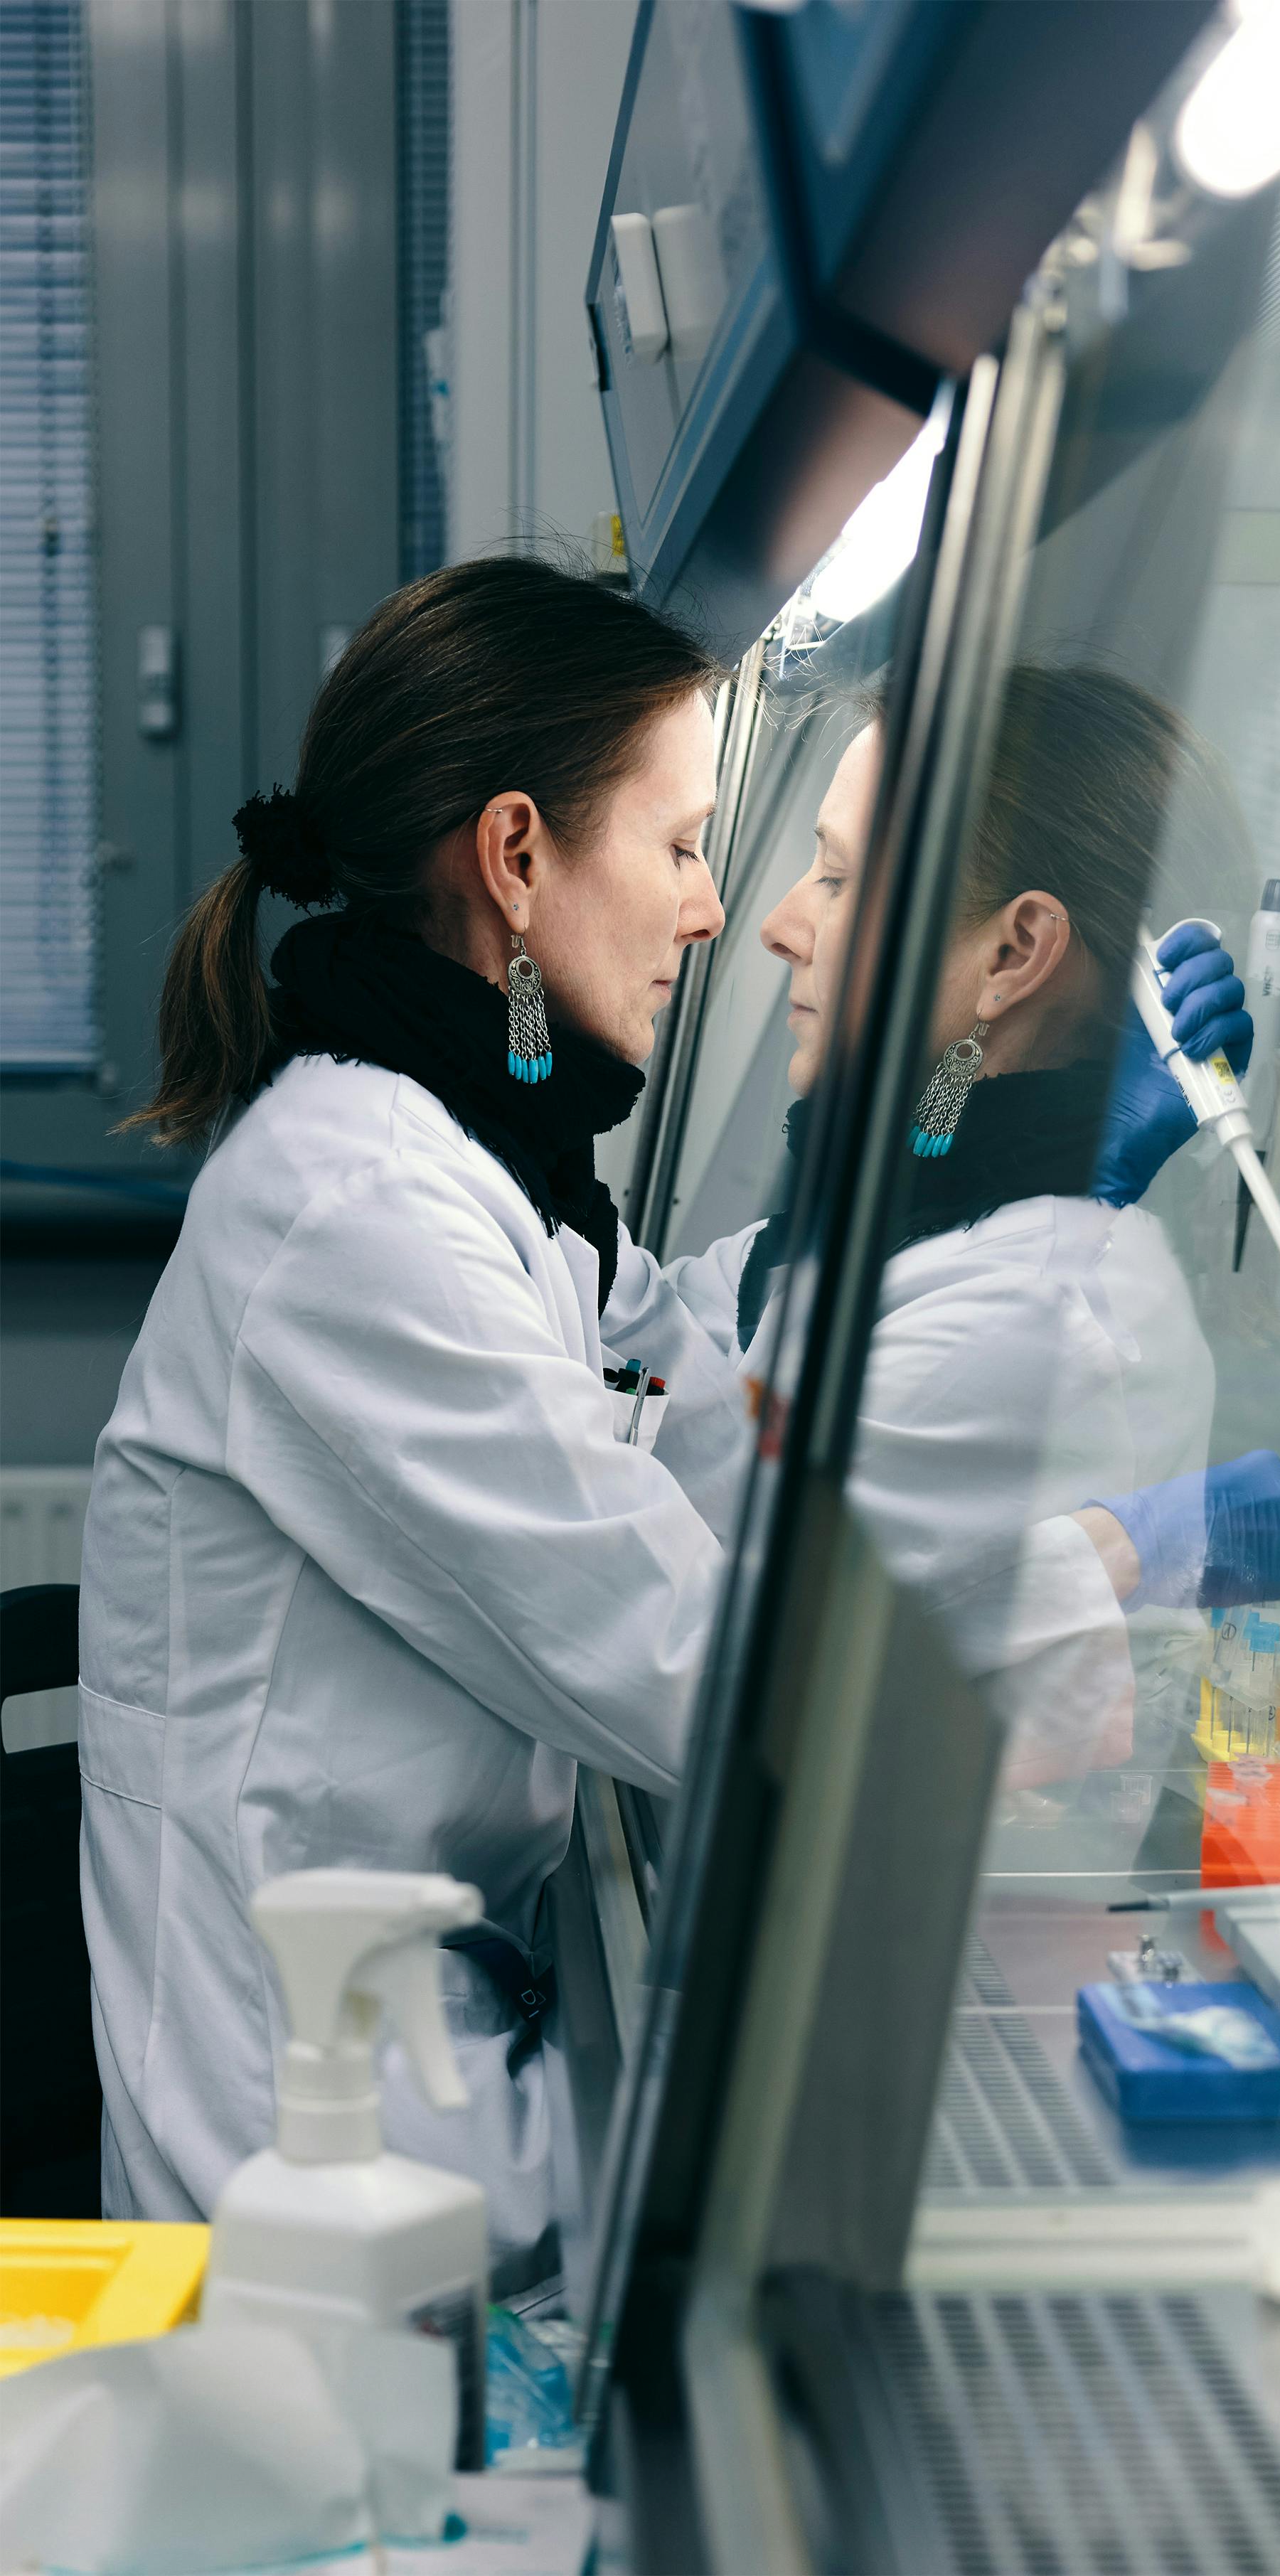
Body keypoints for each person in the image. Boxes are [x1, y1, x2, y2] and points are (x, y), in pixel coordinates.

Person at [81, 559, 758, 2297]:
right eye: (679, 846)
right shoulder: (354, 1210)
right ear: (518, 856)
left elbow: (698, 1429)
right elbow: (695, 1666)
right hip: (302, 2199)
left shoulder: (509, 1179)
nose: (713, 912)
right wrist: (1097, 1588)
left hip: (438, 2096)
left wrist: (962, 1136)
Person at [605, 668, 1280, 1793]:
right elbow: (671, 1353)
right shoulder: (916, 1229)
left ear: (1013, 954)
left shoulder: (1032, 1317)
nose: (781, 926)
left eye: (838, 879)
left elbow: (700, 1627)